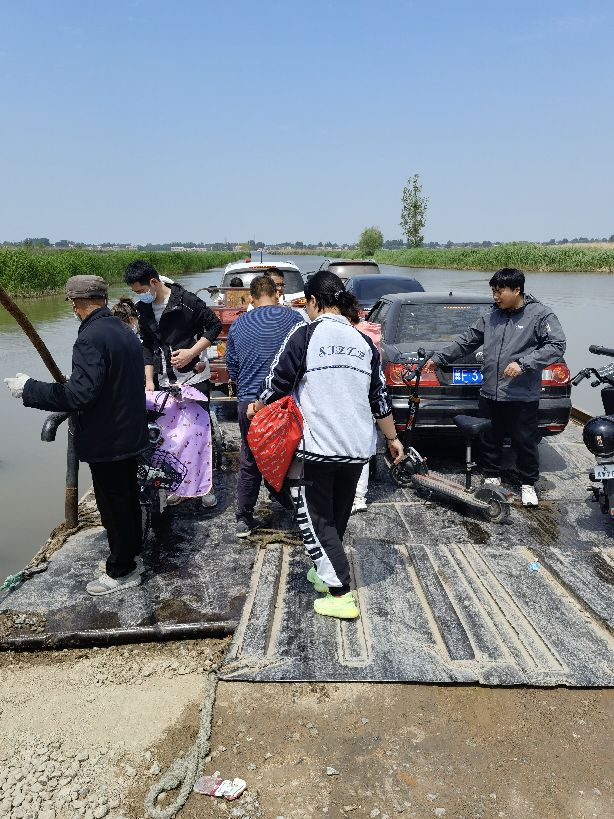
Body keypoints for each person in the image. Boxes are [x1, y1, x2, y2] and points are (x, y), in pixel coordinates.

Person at [247, 271, 404, 620]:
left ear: (313, 302)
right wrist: (392, 440)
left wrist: (256, 406)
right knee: (335, 517)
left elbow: (278, 382)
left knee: (314, 520)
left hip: (317, 447)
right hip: (356, 449)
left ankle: (341, 594)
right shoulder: (364, 342)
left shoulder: (305, 334)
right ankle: (324, 571)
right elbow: (380, 399)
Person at [4, 275, 149, 596]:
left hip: (108, 439)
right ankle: (131, 557)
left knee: (113, 505)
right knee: (125, 499)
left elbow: (79, 397)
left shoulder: (90, 338)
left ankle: (122, 570)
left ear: (75, 302)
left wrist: (30, 389)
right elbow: (105, 382)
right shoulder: (121, 330)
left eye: (70, 302)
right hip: (129, 433)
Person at [424, 268, 566, 507]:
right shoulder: (491, 316)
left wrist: (524, 364)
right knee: (490, 438)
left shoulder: (540, 315)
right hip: (490, 392)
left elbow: (556, 345)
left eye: (500, 292)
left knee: (524, 442)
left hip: (521, 395)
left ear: (517, 290)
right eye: (493, 291)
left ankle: (528, 484)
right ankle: (491, 476)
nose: (495, 297)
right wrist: (439, 358)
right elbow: (466, 340)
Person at [124, 259, 221, 507]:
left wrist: (192, 351)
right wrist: (148, 379)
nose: (139, 296)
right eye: (136, 293)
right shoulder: (143, 309)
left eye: (141, 290)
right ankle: (177, 483)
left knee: (197, 432)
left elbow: (213, 326)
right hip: (164, 380)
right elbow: (147, 345)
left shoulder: (185, 301)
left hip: (193, 376)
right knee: (168, 434)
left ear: (153, 282)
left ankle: (204, 486)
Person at [226, 275, 305, 537]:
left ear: (250, 298)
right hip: (284, 403)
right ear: (278, 295)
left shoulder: (238, 325)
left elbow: (232, 369)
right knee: (291, 455)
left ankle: (243, 519)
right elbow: (304, 361)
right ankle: (295, 506)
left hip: (249, 403)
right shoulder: (295, 320)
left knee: (250, 459)